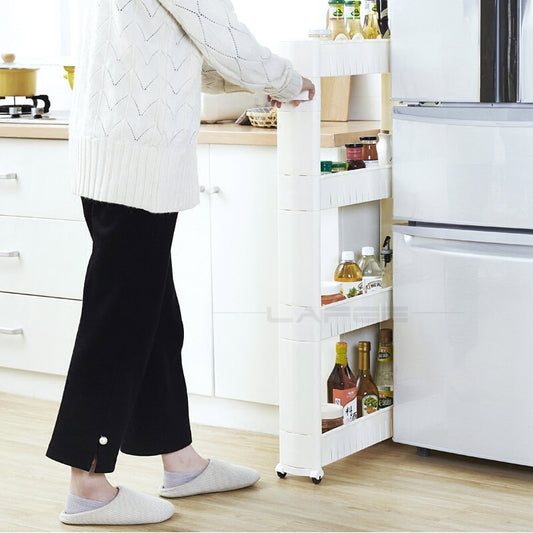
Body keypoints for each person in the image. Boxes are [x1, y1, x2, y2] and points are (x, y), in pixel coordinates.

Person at [45, 0, 315, 527]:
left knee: (155, 320)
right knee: (119, 324)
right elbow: (220, 33)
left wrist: (265, 84)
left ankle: (181, 462)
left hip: (119, 152)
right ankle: (88, 484)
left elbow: (190, 44)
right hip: (137, 159)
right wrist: (285, 79)